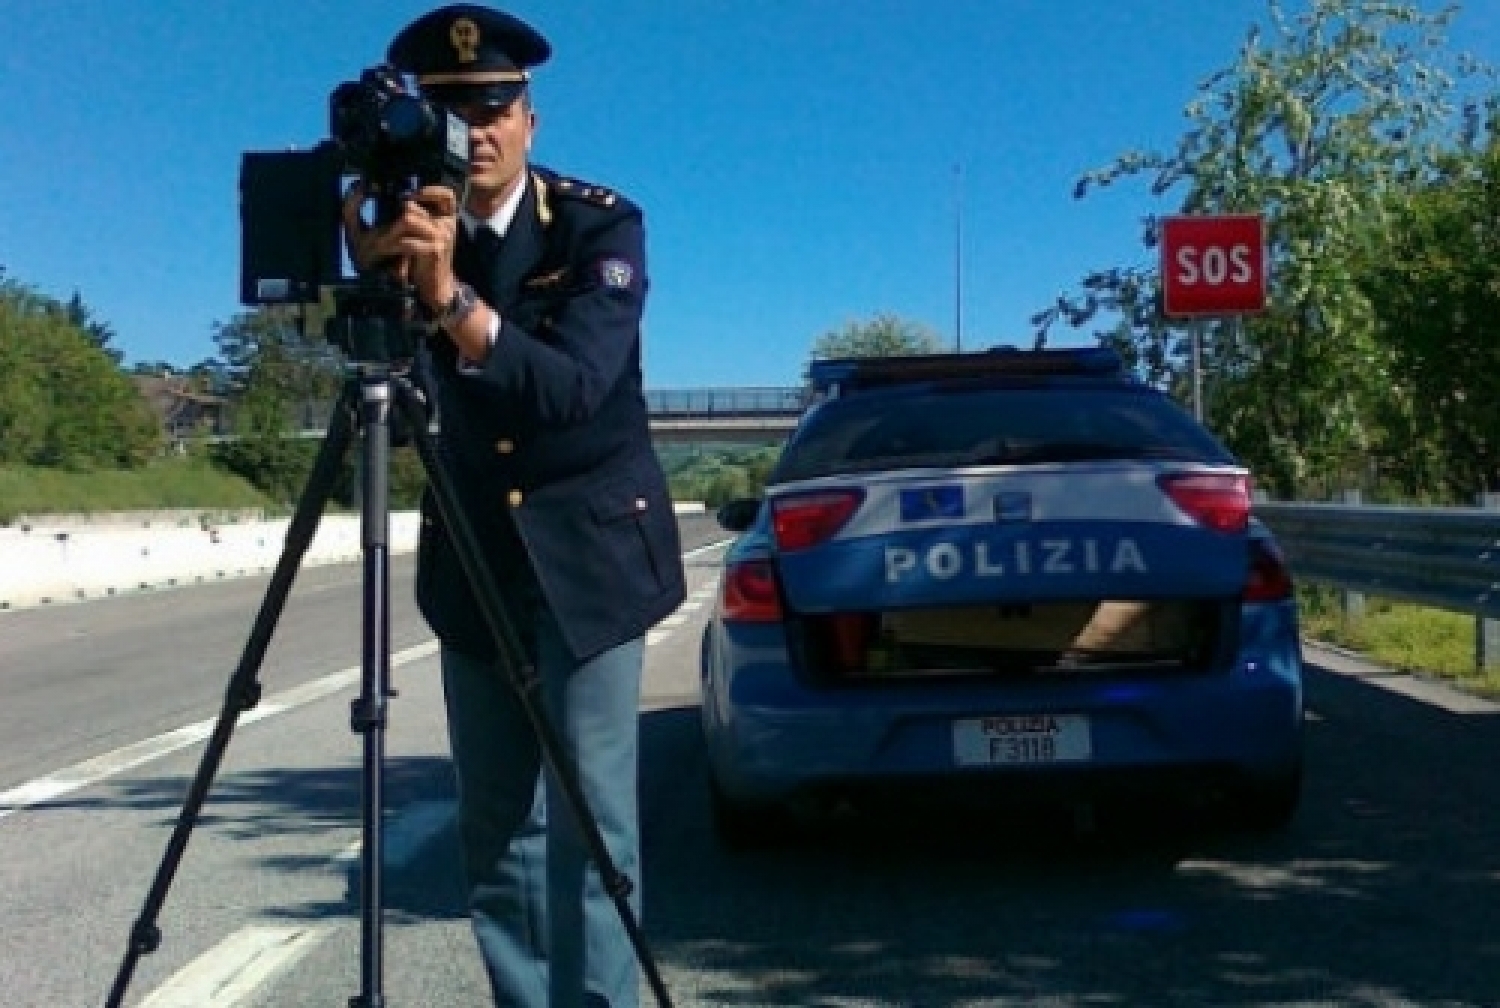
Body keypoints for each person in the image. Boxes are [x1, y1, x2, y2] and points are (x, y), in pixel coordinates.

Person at [341, 5, 686, 1005]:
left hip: (588, 564)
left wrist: (447, 297)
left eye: (494, 108)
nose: (474, 132)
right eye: (451, 111)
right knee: (497, 835)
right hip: (475, 560)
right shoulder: (412, 231)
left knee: (592, 831)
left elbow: (574, 388)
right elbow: (384, 388)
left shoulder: (596, 224)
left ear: (531, 119)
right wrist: (372, 286)